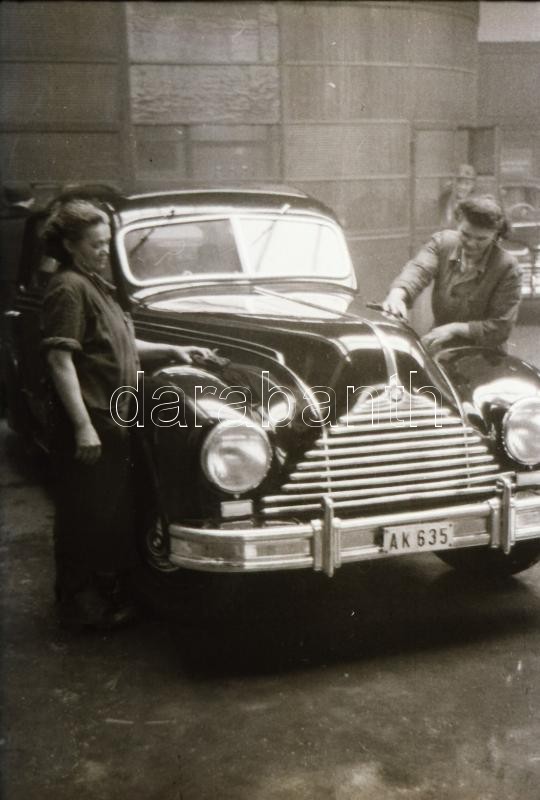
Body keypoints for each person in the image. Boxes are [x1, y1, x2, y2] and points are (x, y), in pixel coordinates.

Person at [40, 199, 211, 630]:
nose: (104, 251)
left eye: (106, 242)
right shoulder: (68, 288)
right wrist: (83, 427)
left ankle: (101, 598)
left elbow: (120, 346)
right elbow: (60, 360)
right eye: (95, 244)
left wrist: (173, 349)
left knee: (107, 511)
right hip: (92, 418)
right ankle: (76, 607)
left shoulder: (94, 284)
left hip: (111, 416)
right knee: (84, 513)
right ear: (69, 244)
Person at [382, 195, 522, 352]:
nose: (471, 243)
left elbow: (500, 327)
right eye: (465, 234)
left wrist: (454, 329)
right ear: (459, 222)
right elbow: (418, 269)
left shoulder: (507, 267)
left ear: (496, 235)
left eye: (481, 239)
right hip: (440, 344)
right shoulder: (443, 243)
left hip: (484, 353)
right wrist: (397, 295)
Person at [439, 163, 477, 229]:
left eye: (467, 184)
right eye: (459, 182)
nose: (462, 187)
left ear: (472, 186)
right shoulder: (444, 199)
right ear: (453, 182)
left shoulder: (475, 205)